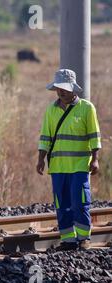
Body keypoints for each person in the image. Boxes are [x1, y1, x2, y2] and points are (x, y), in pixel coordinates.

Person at [37, 69, 101, 251]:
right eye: (58, 88)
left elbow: (94, 136)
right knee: (61, 204)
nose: (60, 92)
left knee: (79, 202)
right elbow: (45, 137)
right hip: (57, 167)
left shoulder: (87, 108)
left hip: (80, 166)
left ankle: (83, 238)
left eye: (63, 88)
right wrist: (40, 159)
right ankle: (68, 240)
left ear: (73, 88)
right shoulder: (51, 109)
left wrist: (95, 159)